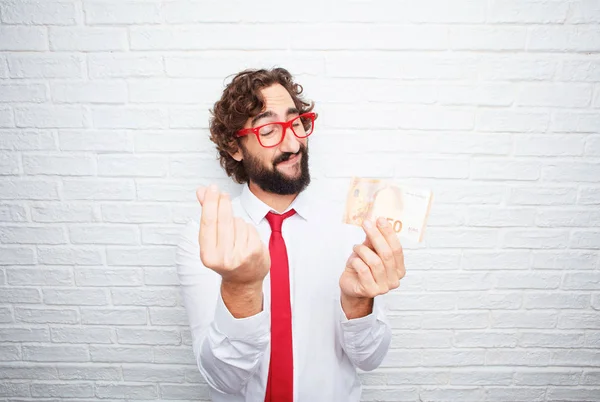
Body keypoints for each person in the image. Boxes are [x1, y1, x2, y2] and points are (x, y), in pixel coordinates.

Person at [175, 67, 406, 402]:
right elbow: (222, 380)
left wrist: (359, 303)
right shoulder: (206, 238)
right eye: (269, 128)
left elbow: (369, 359)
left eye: (296, 122)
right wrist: (241, 290)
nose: (293, 141)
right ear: (234, 146)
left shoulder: (352, 228)